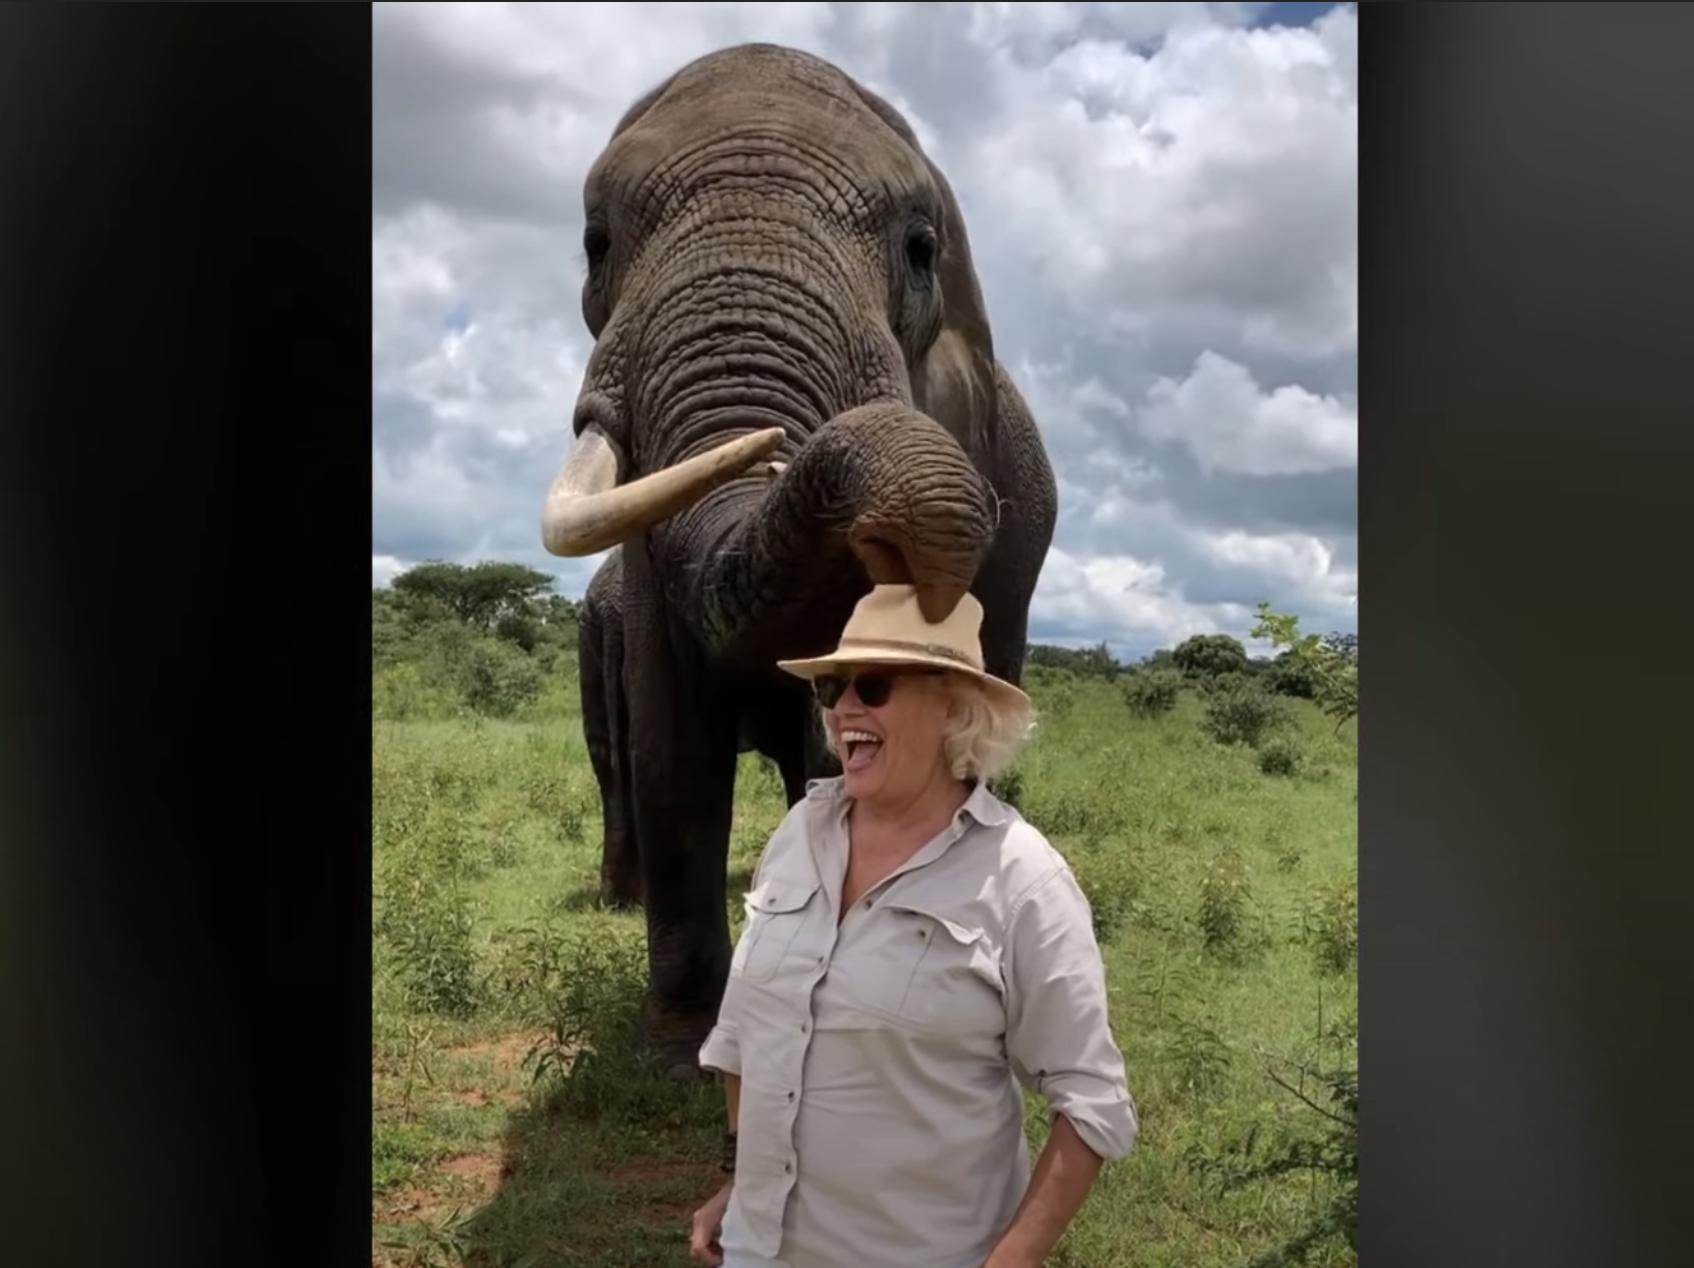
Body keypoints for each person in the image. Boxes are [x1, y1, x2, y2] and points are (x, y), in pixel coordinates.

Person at [689, 584, 1137, 1268]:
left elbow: (1093, 1102)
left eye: (873, 686)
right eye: (833, 687)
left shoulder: (1022, 879)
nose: (844, 708)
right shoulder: (800, 832)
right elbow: (747, 1036)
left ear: (957, 707)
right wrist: (741, 1180)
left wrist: (1010, 1261)